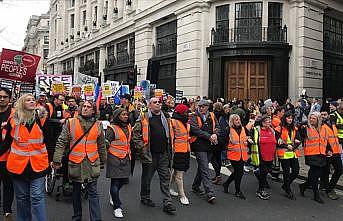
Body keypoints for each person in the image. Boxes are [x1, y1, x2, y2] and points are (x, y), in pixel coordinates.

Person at [52, 100, 107, 221]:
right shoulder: (71, 123)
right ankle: (77, 216)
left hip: (92, 162)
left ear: (93, 110)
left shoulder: (98, 125)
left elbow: (101, 144)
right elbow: (62, 142)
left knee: (93, 191)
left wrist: (103, 159)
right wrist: (57, 159)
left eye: (88, 107)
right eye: (84, 106)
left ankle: (96, 219)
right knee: (76, 191)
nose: (85, 108)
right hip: (76, 162)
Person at [0, 94, 49, 221]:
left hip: (38, 166)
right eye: (28, 100)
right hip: (18, 166)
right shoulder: (13, 120)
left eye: (33, 99)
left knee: (37, 197)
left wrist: (55, 160)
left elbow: (50, 140)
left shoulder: (42, 118)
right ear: (22, 103)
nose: (32, 101)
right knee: (22, 198)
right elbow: (7, 143)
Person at [132, 97, 176, 214]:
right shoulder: (144, 117)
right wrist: (142, 148)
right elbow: (136, 135)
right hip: (150, 154)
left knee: (165, 178)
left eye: (159, 102)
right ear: (149, 106)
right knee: (147, 178)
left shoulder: (166, 117)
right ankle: (145, 197)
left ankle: (167, 202)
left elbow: (172, 133)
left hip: (164, 154)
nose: (158, 104)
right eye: (155, 102)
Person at [189, 99, 219, 203]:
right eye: (199, 106)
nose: (201, 108)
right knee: (205, 167)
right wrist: (209, 136)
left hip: (210, 145)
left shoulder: (212, 115)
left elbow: (217, 127)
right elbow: (195, 130)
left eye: (203, 106)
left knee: (202, 167)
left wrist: (216, 134)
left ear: (207, 107)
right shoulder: (193, 116)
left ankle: (195, 186)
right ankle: (209, 192)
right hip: (199, 145)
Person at [106, 108, 132, 218]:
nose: (126, 116)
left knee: (123, 181)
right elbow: (106, 142)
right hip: (114, 158)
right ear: (118, 116)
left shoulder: (129, 127)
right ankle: (117, 207)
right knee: (115, 182)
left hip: (126, 157)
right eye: (123, 114)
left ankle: (113, 194)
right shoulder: (111, 128)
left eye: (127, 114)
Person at [222, 114, 253, 200]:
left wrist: (249, 141)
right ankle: (238, 191)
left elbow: (248, 137)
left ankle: (226, 184)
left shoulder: (243, 129)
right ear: (232, 121)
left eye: (239, 119)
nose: (238, 121)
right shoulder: (228, 129)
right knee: (239, 172)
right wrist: (227, 147)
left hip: (243, 154)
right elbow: (223, 141)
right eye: (236, 120)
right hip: (233, 155)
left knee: (237, 172)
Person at [299, 112, 327, 203]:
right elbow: (299, 129)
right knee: (315, 175)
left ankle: (304, 186)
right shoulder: (306, 128)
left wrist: (329, 149)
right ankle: (316, 194)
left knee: (317, 173)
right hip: (311, 154)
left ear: (318, 119)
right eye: (310, 118)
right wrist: (303, 124)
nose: (311, 120)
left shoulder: (323, 128)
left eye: (314, 118)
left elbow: (325, 139)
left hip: (321, 153)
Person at [275, 111, 301, 200]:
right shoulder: (279, 129)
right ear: (285, 118)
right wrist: (286, 146)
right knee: (286, 173)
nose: (290, 119)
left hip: (293, 152)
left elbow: (298, 139)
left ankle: (286, 185)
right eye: (288, 118)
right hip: (284, 153)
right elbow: (277, 142)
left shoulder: (295, 128)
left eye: (291, 118)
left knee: (296, 171)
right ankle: (288, 190)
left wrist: (294, 146)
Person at [169, 104, 191, 205]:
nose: (188, 114)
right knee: (179, 174)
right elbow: (170, 137)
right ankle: (182, 195)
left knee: (176, 172)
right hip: (177, 151)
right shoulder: (173, 122)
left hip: (185, 150)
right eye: (186, 112)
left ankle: (167, 188)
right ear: (181, 113)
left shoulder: (185, 121)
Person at [251, 116, 276, 200]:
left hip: (270, 156)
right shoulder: (257, 130)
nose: (270, 123)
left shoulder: (272, 130)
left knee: (266, 171)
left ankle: (257, 172)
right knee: (264, 172)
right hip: (261, 155)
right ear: (263, 123)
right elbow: (251, 138)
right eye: (268, 122)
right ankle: (260, 190)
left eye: (270, 121)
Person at [320, 107, 342, 200]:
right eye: (321, 115)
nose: (323, 116)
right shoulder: (319, 125)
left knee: (340, 170)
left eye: (325, 115)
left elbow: (335, 136)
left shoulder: (332, 124)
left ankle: (329, 187)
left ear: (328, 115)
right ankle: (327, 189)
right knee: (325, 171)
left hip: (336, 151)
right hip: (327, 152)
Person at [0, 87, 14, 221]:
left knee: (8, 185)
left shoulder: (14, 114)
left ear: (9, 99)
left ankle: (7, 211)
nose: (2, 99)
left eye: (5, 97)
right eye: (0, 97)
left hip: (8, 158)